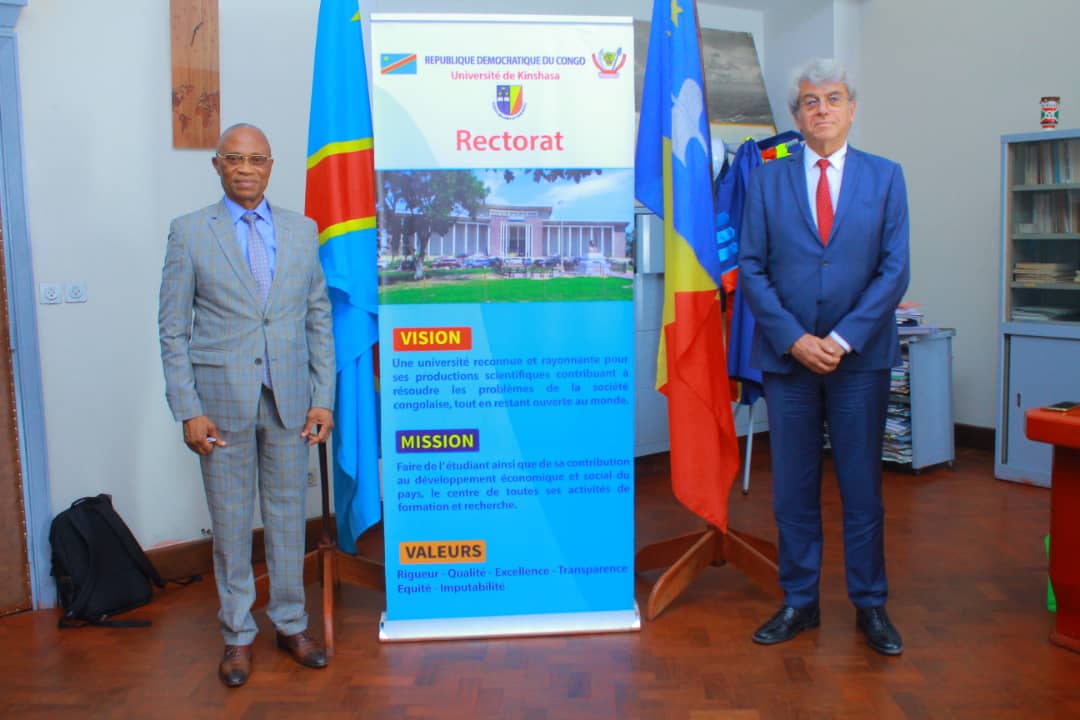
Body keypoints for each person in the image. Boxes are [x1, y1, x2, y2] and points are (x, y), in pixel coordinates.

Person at [738, 59, 910, 656]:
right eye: (810, 101)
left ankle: (871, 605)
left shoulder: (887, 177)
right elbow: (752, 269)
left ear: (851, 109)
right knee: (792, 489)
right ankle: (800, 602)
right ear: (796, 117)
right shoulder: (767, 179)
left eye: (833, 99)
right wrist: (793, 338)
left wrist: (839, 340)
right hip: (788, 361)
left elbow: (894, 271)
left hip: (858, 361)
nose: (822, 110)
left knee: (862, 488)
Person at [158, 123, 335, 686]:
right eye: (234, 158)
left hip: (289, 401)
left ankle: (291, 623)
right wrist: (188, 409)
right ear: (217, 165)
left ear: (270, 165)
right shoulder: (189, 233)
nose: (245, 168)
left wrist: (322, 398)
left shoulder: (302, 231)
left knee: (287, 521)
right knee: (232, 526)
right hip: (220, 405)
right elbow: (171, 330)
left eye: (256, 159)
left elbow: (318, 320)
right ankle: (237, 635)